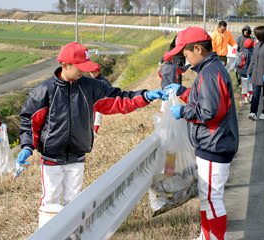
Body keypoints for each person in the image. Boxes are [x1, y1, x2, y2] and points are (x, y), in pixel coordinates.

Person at [15, 42, 168, 222]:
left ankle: (73, 232)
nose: (82, 72)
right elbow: (29, 121)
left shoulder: (90, 87)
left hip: (78, 155)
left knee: (75, 200)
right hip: (51, 157)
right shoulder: (44, 91)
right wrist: (27, 146)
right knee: (50, 200)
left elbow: (118, 99)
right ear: (64, 65)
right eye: (79, 68)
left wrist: (144, 96)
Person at [164, 27, 239, 240]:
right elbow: (206, 100)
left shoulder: (209, 73)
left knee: (212, 198)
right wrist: (182, 92)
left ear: (197, 48)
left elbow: (210, 112)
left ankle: (215, 237)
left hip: (214, 145)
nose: (185, 58)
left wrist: (183, 111)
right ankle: (206, 236)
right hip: (213, 143)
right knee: (208, 198)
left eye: (186, 54)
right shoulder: (211, 69)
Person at [89, 63, 112, 136]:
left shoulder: (104, 82)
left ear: (99, 71)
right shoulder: (88, 81)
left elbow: (109, 92)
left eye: (94, 72)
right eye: (91, 72)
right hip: (91, 102)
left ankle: (95, 131)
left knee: (98, 115)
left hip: (101, 101)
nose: (92, 74)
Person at [236, 38, 254, 104]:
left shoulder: (242, 53)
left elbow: (240, 64)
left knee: (244, 86)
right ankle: (251, 97)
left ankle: (245, 99)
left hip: (244, 73)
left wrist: (237, 64)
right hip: (252, 73)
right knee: (251, 86)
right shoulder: (255, 52)